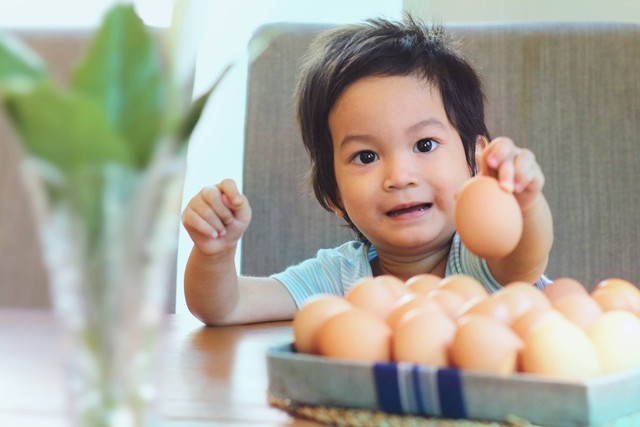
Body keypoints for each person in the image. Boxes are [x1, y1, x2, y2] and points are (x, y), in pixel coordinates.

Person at [181, 17, 554, 326]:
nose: (399, 176)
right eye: (366, 157)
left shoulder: (481, 258)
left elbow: (525, 259)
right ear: (334, 195)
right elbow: (226, 307)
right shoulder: (339, 277)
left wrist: (523, 202)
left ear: (476, 162)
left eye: (424, 145)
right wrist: (214, 255)